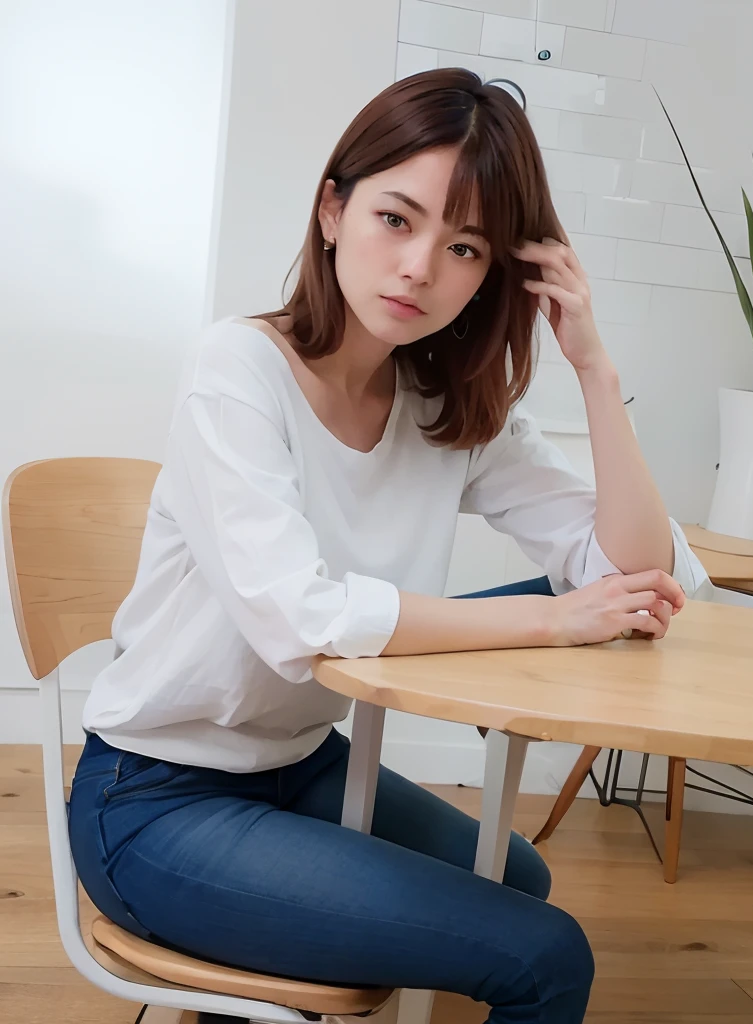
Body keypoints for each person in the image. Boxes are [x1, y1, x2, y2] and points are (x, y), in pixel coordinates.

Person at [68, 68, 710, 1024]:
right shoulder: (238, 371)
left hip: (302, 764)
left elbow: (636, 570)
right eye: (396, 220)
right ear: (333, 210)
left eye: (463, 246)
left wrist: (592, 365)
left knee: (518, 876)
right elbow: (300, 617)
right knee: (544, 956)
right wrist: (546, 618)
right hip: (158, 799)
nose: (419, 269)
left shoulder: (443, 407)